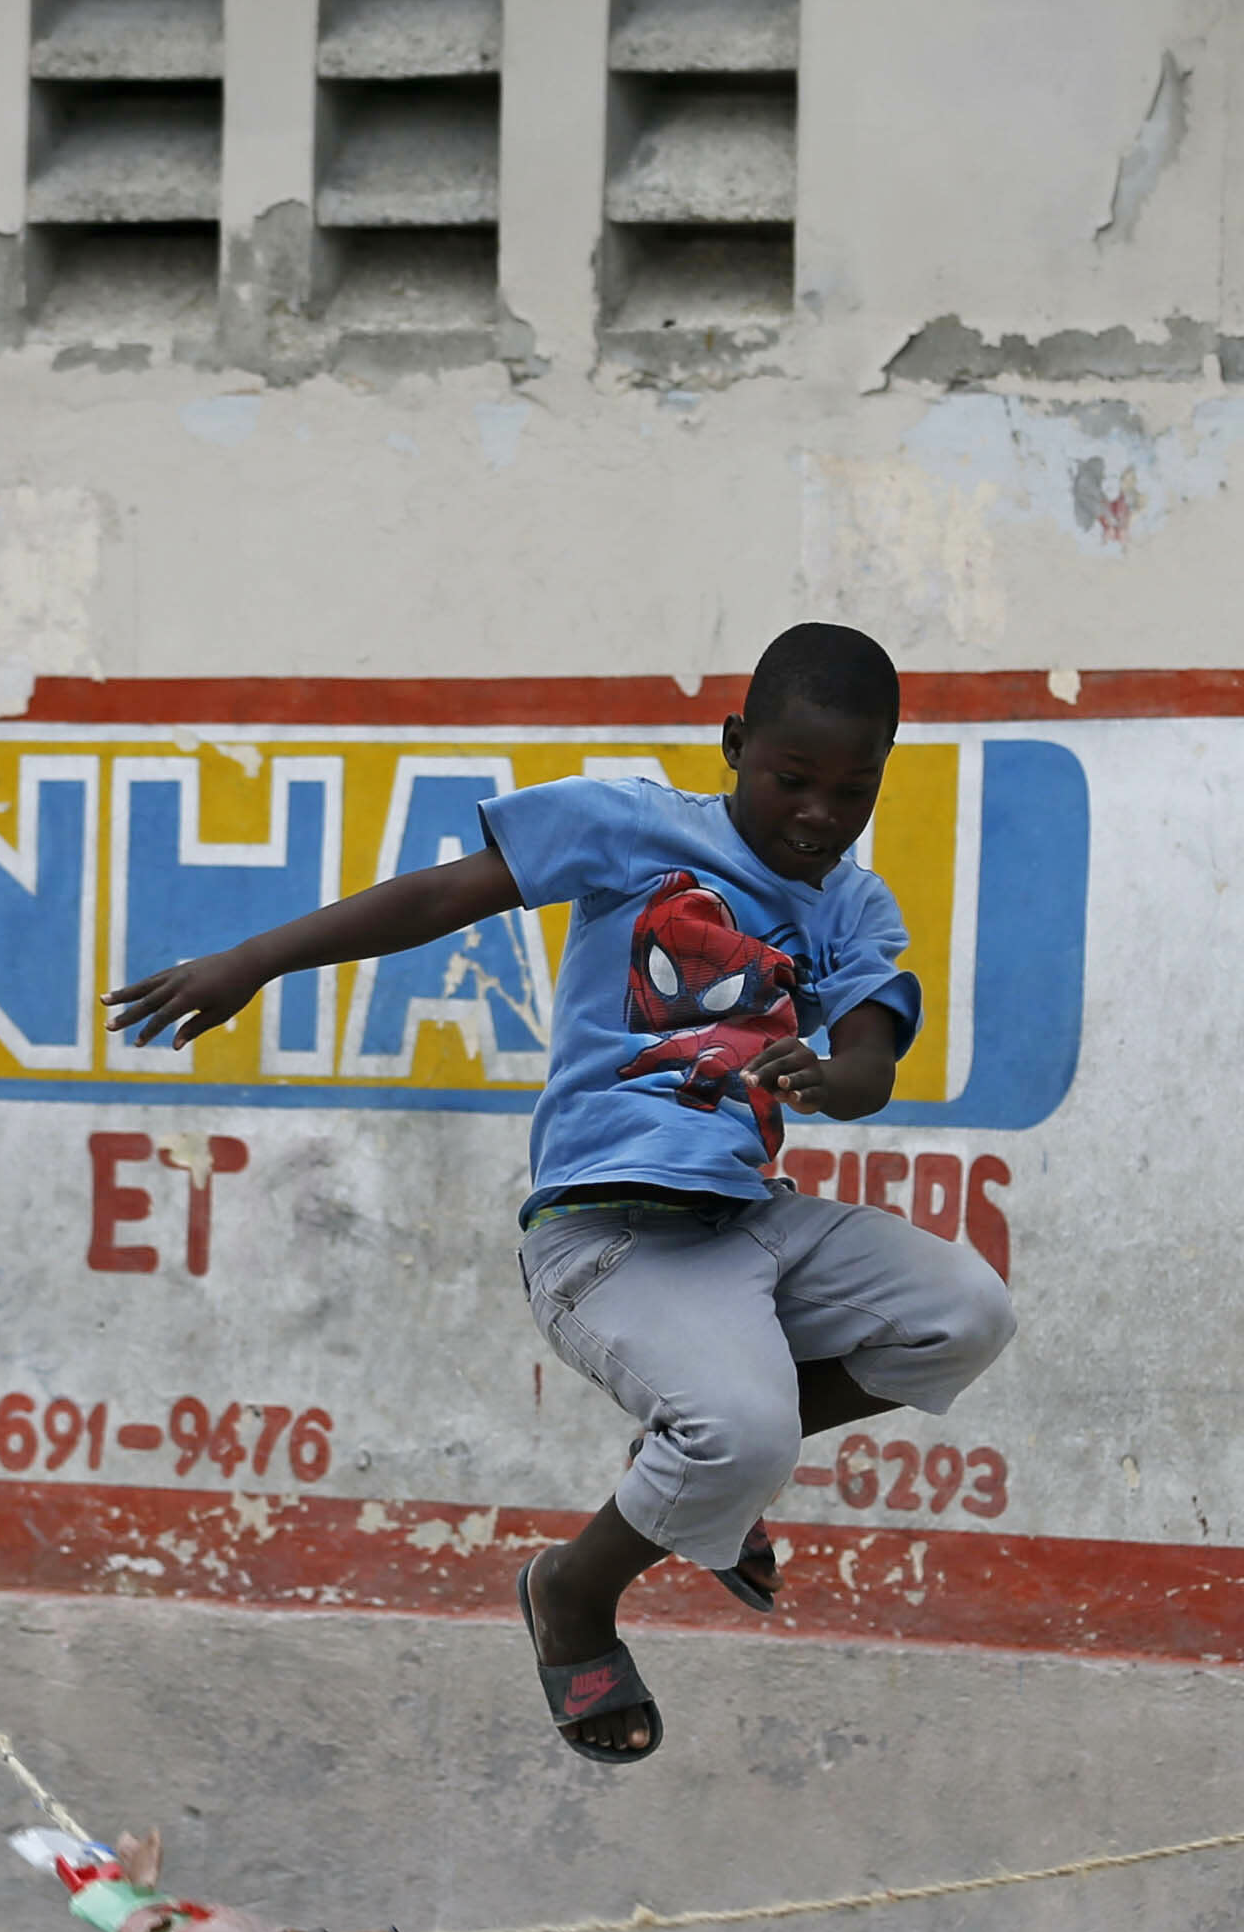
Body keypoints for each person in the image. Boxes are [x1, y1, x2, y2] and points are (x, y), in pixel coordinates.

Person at [104, 623, 1010, 1762]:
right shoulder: (630, 826)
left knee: (967, 1313)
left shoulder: (852, 908)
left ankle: (690, 1468)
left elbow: (874, 1060)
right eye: (791, 780)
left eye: (853, 788)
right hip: (608, 1239)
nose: (819, 814)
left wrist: (833, 1080)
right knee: (743, 1433)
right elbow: (439, 896)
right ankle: (575, 1596)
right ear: (735, 747)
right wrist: (253, 961)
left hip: (748, 1220)